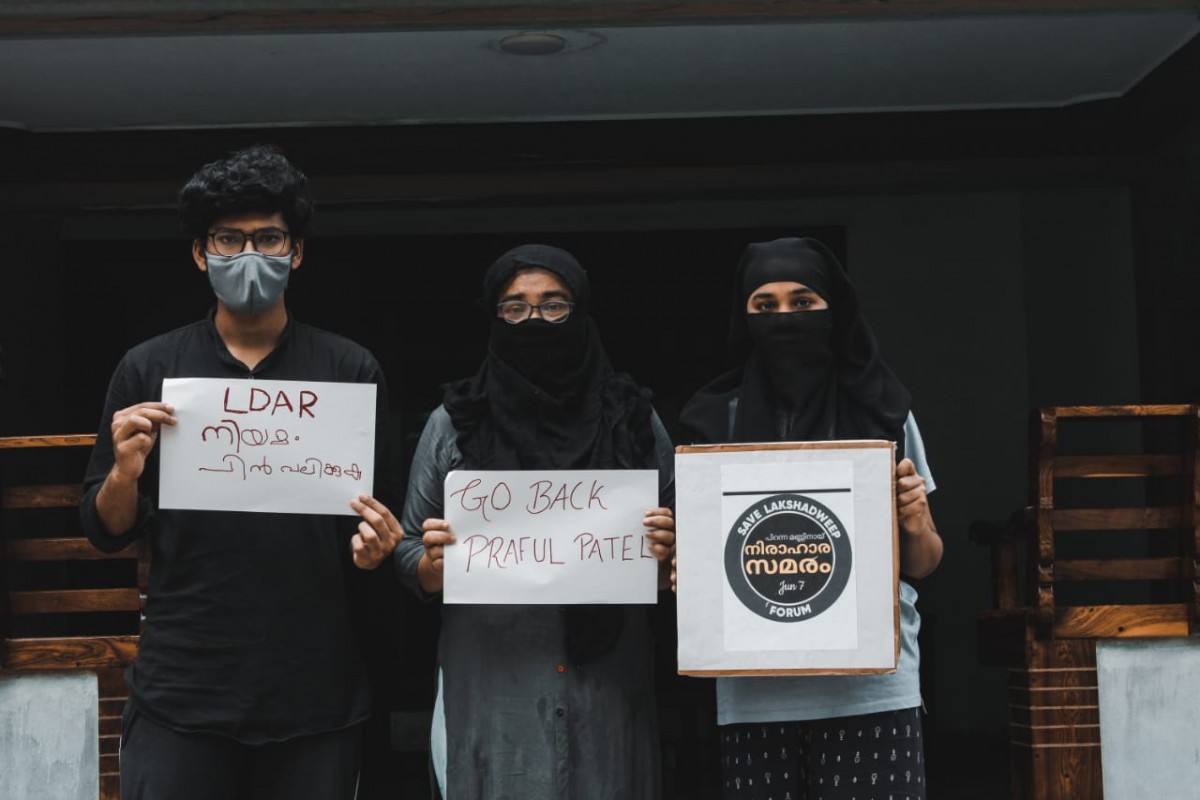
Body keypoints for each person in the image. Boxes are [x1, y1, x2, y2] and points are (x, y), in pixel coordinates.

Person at [79, 144, 402, 800]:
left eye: (268, 238)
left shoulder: (350, 369)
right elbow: (104, 530)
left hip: (314, 692)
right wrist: (124, 473)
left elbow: (380, 520)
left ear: (296, 251)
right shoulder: (149, 367)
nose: (249, 254)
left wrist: (377, 549)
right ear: (201, 253)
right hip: (182, 690)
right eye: (229, 239)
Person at [387, 243, 676, 799]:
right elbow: (406, 548)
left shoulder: (632, 417)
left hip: (608, 677)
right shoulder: (456, 421)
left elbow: (685, 552)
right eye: (515, 308)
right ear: (493, 318)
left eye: (553, 305)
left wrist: (668, 551)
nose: (534, 321)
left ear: (581, 312)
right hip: (492, 671)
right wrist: (433, 565)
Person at [677, 236, 942, 800]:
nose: (784, 319)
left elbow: (924, 562)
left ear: (834, 310)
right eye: (764, 306)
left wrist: (917, 521)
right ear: (743, 317)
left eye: (803, 302)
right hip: (753, 691)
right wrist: (675, 562)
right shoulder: (714, 421)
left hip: (872, 688)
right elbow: (694, 565)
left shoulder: (884, 411)